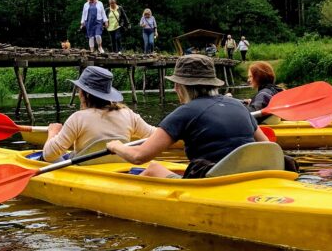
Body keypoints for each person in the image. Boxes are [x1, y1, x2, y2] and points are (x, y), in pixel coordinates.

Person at [107, 54, 269, 179]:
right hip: (251, 176)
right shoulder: (239, 105)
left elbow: (138, 156)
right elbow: (266, 146)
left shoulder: (184, 113)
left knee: (153, 168)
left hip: (214, 183)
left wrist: (116, 146)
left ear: (180, 86)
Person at [40, 66, 154, 162]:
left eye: (80, 90)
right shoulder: (129, 115)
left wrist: (53, 132)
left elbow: (49, 155)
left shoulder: (78, 119)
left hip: (85, 173)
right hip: (120, 169)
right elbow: (155, 136)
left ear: (86, 94)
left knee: (47, 159)